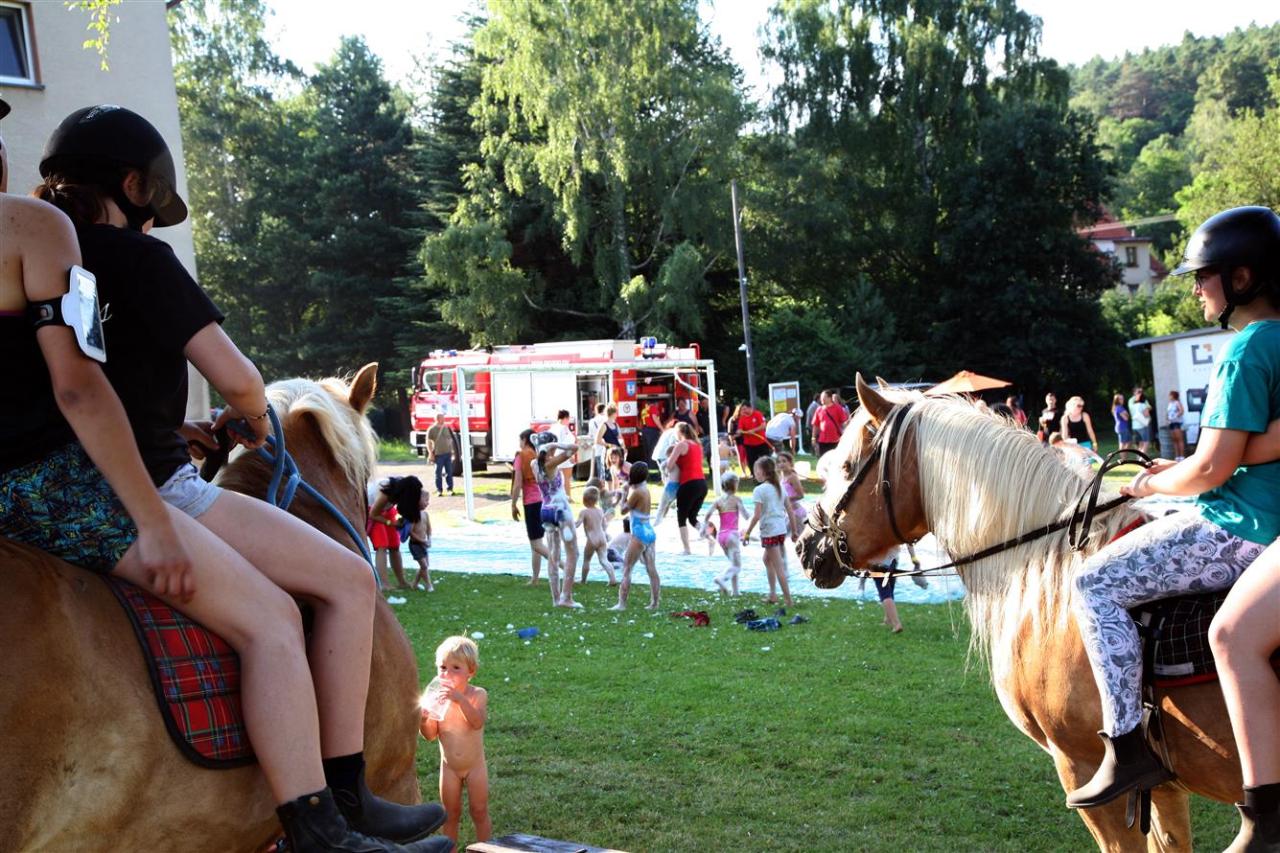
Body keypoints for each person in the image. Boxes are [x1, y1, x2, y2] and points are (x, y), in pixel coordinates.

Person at [29, 103, 449, 851]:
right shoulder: (142, 260)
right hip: (150, 487)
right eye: (151, 203)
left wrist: (174, 426)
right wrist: (251, 414)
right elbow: (238, 376)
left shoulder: (39, 259)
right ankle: (336, 803)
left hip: (60, 475)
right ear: (134, 186)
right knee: (344, 583)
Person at [1066, 206, 1280, 813]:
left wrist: (1148, 486)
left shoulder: (1248, 348)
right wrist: (1187, 468)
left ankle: (1126, 745)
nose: (1194, 288)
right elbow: (1237, 452)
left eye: (1202, 276)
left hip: (1244, 526)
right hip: (1263, 518)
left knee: (1093, 583)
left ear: (1242, 278)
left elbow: (1211, 471)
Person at [419, 636, 490, 845]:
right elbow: (430, 735)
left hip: (475, 767)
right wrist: (423, 720)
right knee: (449, 814)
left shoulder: (477, 694)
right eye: (442, 667)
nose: (447, 674)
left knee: (479, 810)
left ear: (471, 671)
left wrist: (459, 700)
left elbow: (477, 722)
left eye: (455, 668)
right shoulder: (437, 699)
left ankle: (487, 848)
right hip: (449, 768)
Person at [742, 456, 796, 608]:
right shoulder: (779, 487)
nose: (755, 473)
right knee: (767, 560)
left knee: (778, 566)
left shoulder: (759, 490)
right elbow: (790, 511)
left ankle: (788, 600)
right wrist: (794, 531)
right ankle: (773, 595)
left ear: (762, 471)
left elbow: (757, 515)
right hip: (780, 530)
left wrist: (747, 533)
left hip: (770, 531)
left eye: (756, 470)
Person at [532, 434, 580, 608]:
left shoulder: (534, 464)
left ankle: (556, 599)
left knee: (553, 555)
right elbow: (574, 448)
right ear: (548, 448)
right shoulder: (550, 464)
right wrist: (556, 444)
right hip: (560, 510)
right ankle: (566, 597)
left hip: (545, 510)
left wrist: (546, 448)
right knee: (573, 553)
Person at [610, 462, 660, 611]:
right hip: (649, 531)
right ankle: (654, 603)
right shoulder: (645, 489)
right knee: (651, 569)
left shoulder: (637, 493)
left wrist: (624, 494)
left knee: (627, 569)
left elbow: (623, 510)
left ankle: (621, 604)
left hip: (639, 532)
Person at [510, 429, 551, 587]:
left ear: (525, 440)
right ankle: (535, 578)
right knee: (537, 543)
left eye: (520, 440)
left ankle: (565, 567)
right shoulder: (537, 455)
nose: (519, 443)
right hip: (542, 500)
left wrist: (513, 503)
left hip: (531, 503)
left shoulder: (521, 456)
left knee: (536, 544)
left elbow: (517, 484)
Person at [702, 472, 748, 596]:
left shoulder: (718, 500)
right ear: (735, 485)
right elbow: (746, 515)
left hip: (721, 536)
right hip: (732, 535)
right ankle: (721, 579)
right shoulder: (736, 499)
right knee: (737, 566)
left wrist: (703, 528)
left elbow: (707, 514)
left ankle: (736, 591)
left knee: (733, 564)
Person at [665, 422, 708, 555]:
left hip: (689, 483)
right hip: (702, 484)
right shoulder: (697, 445)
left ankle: (687, 549)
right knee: (692, 518)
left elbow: (669, 465)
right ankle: (710, 537)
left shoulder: (681, 445)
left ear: (679, 432)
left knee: (681, 517)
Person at [369, 477, 417, 591]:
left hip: (386, 509)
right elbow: (373, 514)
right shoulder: (386, 493)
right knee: (382, 545)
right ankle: (383, 583)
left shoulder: (403, 491)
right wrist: (391, 523)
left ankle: (402, 581)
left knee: (394, 545)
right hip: (372, 510)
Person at [576, 485, 617, 586]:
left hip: (592, 539)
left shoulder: (584, 512)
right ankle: (612, 579)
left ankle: (583, 580)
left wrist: (567, 524)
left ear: (585, 500)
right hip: (602, 538)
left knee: (586, 560)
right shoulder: (600, 511)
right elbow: (604, 525)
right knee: (604, 560)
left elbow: (577, 524)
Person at [651, 412, 682, 522]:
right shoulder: (674, 433)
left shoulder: (667, 431)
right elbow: (673, 445)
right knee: (669, 477)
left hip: (659, 455)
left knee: (666, 477)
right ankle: (669, 502)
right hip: (664, 455)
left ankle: (668, 501)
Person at [864, 548, 903, 633]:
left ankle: (896, 624)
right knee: (890, 590)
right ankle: (888, 619)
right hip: (892, 561)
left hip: (879, 564)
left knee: (885, 593)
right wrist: (913, 557)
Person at [776, 451, 808, 534]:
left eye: (784, 461)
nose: (781, 464)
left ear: (790, 463)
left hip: (795, 513)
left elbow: (801, 495)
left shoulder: (792, 477)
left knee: (800, 537)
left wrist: (785, 499)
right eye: (779, 462)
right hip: (786, 513)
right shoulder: (781, 477)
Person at [425, 413, 456, 497]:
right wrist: (430, 453)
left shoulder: (447, 428)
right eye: (442, 418)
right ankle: (439, 490)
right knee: (438, 473)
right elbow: (428, 442)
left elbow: (450, 439)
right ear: (437, 419)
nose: (444, 419)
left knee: (449, 472)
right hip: (438, 454)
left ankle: (450, 489)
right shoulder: (432, 429)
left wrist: (452, 451)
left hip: (448, 453)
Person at [408, 490, 433, 592]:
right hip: (415, 544)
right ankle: (429, 585)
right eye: (426, 500)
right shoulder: (413, 515)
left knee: (425, 566)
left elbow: (429, 529)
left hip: (423, 544)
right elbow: (410, 532)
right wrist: (422, 541)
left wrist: (429, 539)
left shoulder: (425, 514)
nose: (428, 503)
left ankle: (414, 584)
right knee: (424, 565)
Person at [811, 391, 848, 458]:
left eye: (824, 397)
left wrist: (845, 435)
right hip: (822, 441)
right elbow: (815, 425)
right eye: (821, 398)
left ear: (830, 398)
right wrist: (813, 437)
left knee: (836, 459)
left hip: (835, 440)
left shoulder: (838, 408)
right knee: (823, 459)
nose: (822, 399)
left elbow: (844, 423)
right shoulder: (819, 409)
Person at [549, 409, 577, 501]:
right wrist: (571, 455)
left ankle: (557, 496)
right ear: (565, 418)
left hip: (555, 456)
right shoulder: (563, 428)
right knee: (566, 478)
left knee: (556, 478)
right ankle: (568, 497)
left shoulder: (553, 427)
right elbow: (566, 443)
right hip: (564, 456)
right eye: (568, 419)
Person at [735, 400, 770, 469]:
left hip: (761, 442)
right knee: (751, 462)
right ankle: (754, 474)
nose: (743, 411)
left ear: (750, 408)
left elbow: (763, 425)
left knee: (765, 461)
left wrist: (753, 430)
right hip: (749, 444)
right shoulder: (742, 418)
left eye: (745, 409)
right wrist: (739, 431)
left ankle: (767, 473)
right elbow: (740, 429)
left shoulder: (757, 414)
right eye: (742, 409)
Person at [592, 404, 622, 480]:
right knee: (608, 478)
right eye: (616, 412)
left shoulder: (615, 424)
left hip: (617, 452)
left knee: (617, 477)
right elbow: (597, 440)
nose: (617, 415)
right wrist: (609, 445)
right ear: (613, 413)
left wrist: (623, 447)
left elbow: (620, 437)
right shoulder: (604, 425)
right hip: (608, 453)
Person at [1128, 386, 1153, 454]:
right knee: (1146, 441)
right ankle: (1141, 458)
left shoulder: (1135, 403)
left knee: (1140, 442)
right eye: (1139, 392)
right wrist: (1145, 409)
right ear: (1134, 393)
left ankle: (1139, 457)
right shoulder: (1141, 403)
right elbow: (1147, 412)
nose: (1141, 393)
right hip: (1143, 424)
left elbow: (1149, 407)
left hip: (1135, 425)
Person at [587, 402, 607, 480]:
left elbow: (590, 436)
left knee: (600, 471)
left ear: (596, 410)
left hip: (597, 448)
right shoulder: (606, 419)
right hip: (607, 447)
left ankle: (601, 484)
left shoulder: (592, 421)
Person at [1166, 390, 1186, 460]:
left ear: (1173, 396)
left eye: (1170, 395)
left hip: (1177, 423)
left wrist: (1175, 416)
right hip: (1171, 423)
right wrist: (1167, 419)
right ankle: (1177, 456)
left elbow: (1182, 411)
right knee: (1174, 440)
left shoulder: (1177, 402)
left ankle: (1182, 456)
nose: (1169, 396)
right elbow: (1168, 413)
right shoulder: (1170, 404)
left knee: (1179, 439)